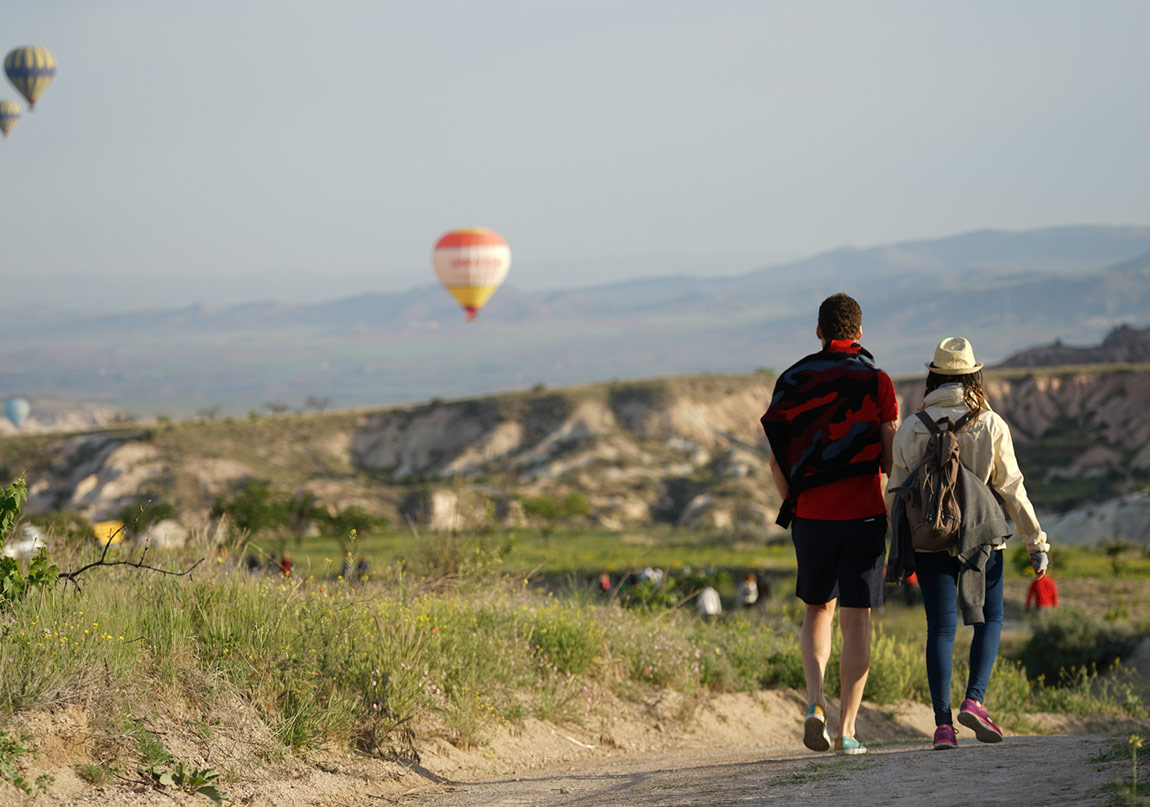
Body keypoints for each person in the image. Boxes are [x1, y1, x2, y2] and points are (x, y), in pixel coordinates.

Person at [887, 337, 1050, 751]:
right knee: (988, 621)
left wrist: (898, 547)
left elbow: (895, 494)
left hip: (928, 540)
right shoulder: (990, 424)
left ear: (934, 376)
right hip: (982, 538)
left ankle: (943, 727)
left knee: (940, 629)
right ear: (973, 375)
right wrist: (1035, 541)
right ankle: (974, 701)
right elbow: (1012, 488)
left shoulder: (910, 428)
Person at [761, 293, 898, 756]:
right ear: (859, 333)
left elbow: (778, 454)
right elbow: (890, 454)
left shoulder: (792, 380)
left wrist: (793, 500)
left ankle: (815, 703)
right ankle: (849, 730)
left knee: (817, 610)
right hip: (863, 513)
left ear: (819, 332)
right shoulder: (877, 381)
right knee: (856, 621)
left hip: (812, 517)